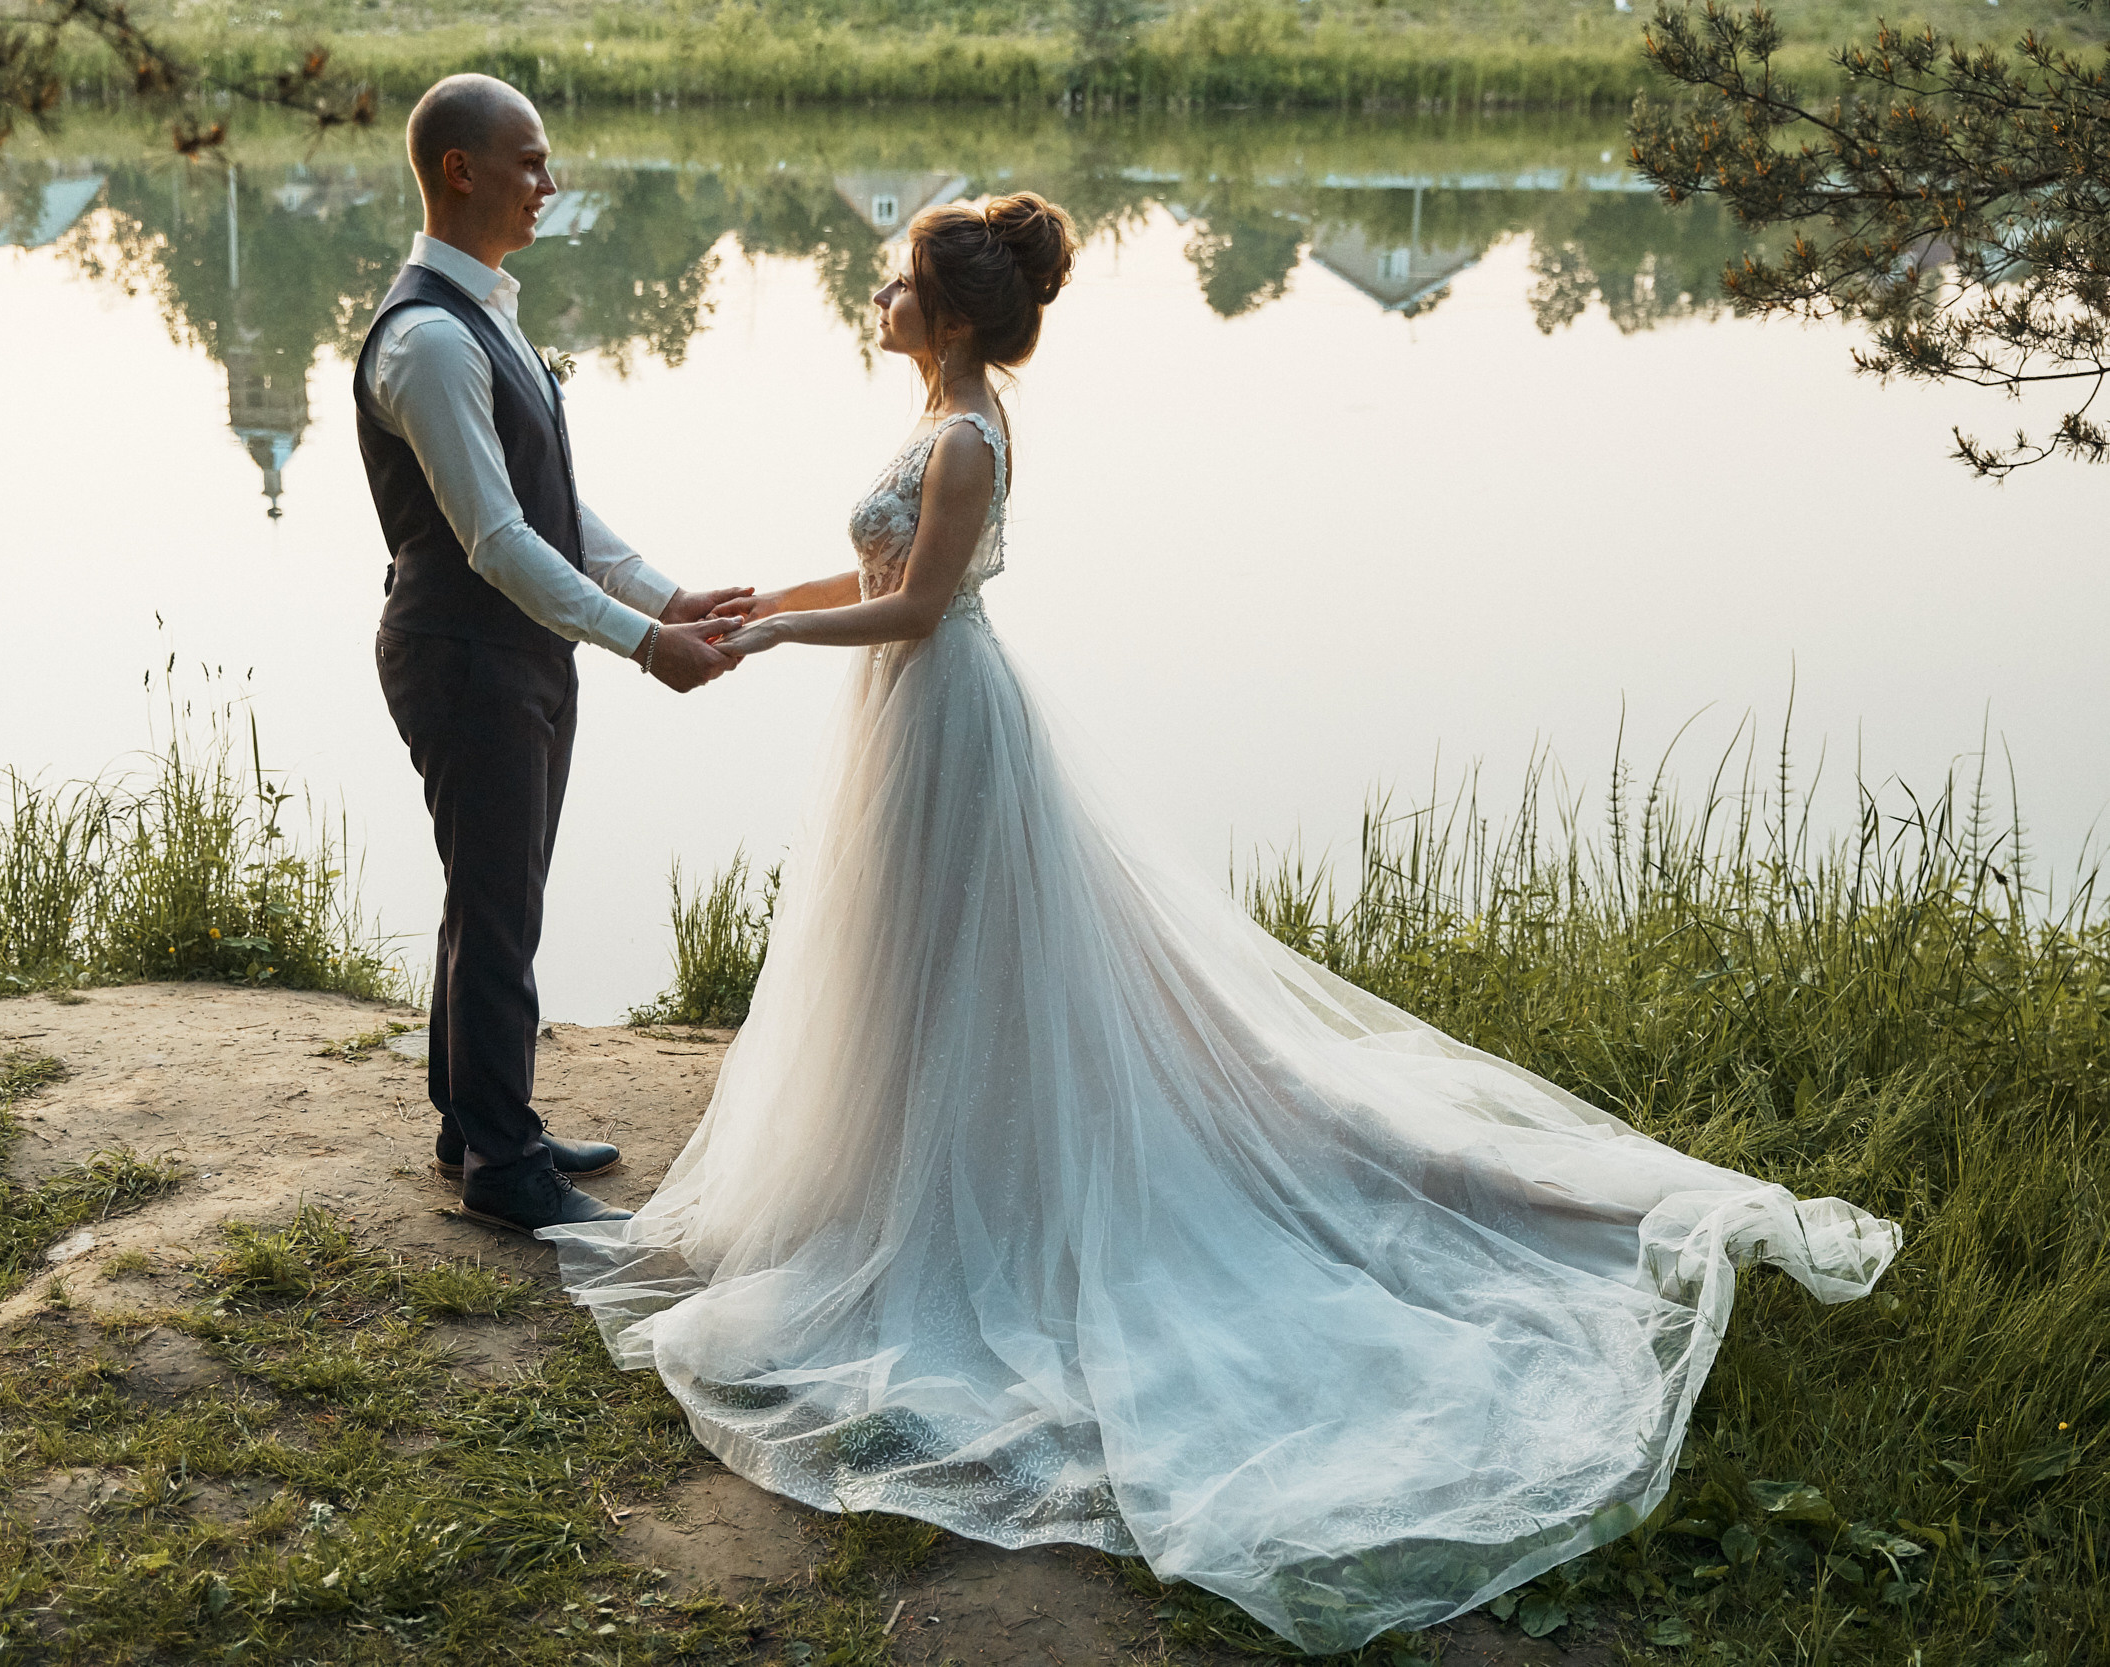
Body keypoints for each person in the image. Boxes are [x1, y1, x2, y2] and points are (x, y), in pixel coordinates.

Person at [543, 192, 1903, 1649]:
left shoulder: (964, 433)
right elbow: (877, 568)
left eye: (895, 280)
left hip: (944, 714)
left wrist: (770, 638)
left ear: (944, 311)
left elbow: (923, 605)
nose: (875, 293)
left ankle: (969, 1199)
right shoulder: (940, 415)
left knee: (961, 963)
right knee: (906, 969)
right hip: (902, 720)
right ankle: (889, 1172)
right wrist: (756, 596)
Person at [357, 74, 749, 1234]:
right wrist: (643, 642)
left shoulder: (483, 314)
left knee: (495, 894)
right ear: (460, 170)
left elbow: (555, 511)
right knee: (497, 901)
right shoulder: (427, 338)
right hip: (462, 651)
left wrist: (667, 593)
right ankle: (502, 1167)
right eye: (529, 160)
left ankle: (474, 1120)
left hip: (513, 651)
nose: (549, 181)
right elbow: (495, 539)